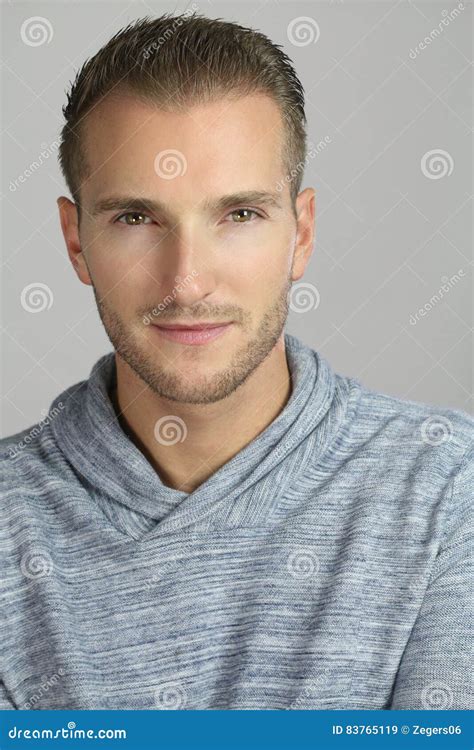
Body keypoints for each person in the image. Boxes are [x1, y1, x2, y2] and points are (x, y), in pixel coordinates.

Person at [1, 13, 472, 711]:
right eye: (136, 217)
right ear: (76, 243)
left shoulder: (447, 492)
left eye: (240, 215)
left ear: (301, 232)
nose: (187, 282)